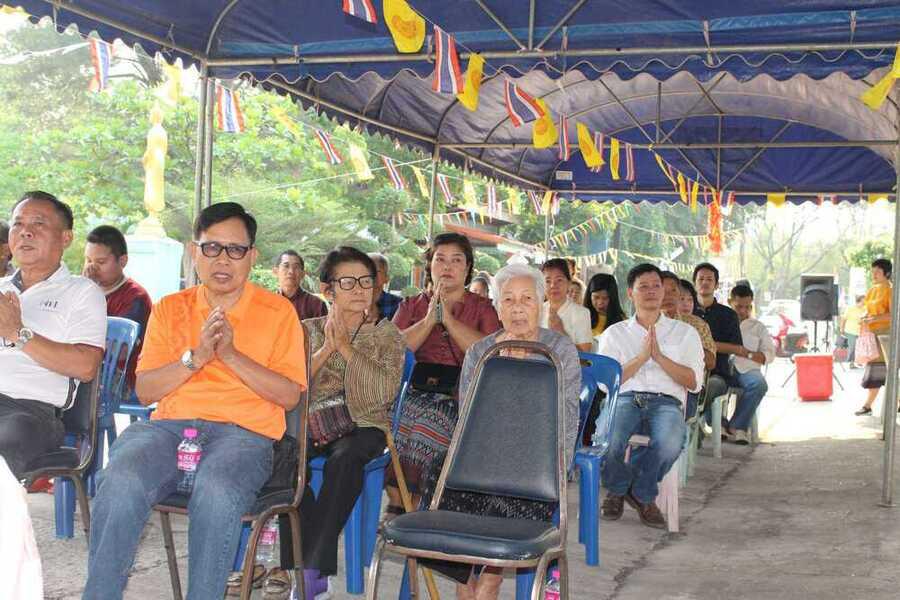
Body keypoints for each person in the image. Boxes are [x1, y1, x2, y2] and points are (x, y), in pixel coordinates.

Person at [83, 202, 308, 600]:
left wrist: (231, 355)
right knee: (119, 479)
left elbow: (290, 395)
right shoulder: (171, 308)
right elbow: (147, 390)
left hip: (245, 435)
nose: (223, 259)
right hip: (170, 429)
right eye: (212, 247)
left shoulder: (278, 312)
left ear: (252, 256)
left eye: (235, 249)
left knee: (217, 490)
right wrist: (197, 357)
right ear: (194, 251)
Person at [424, 264, 581, 600]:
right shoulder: (482, 351)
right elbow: (468, 419)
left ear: (541, 304)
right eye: (508, 299)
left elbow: (566, 418)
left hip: (537, 455)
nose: (517, 307)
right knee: (441, 466)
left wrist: (560, 467)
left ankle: (492, 574)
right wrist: (498, 371)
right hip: (485, 449)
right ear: (497, 308)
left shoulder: (560, 351)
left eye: (527, 299)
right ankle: (463, 577)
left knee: (519, 478)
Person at [268, 247, 404, 599]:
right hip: (313, 420)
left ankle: (310, 571)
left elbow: (382, 392)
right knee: (284, 456)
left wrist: (346, 348)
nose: (359, 289)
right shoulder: (306, 330)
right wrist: (328, 348)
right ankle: (309, 565)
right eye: (348, 282)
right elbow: (292, 387)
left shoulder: (387, 335)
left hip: (364, 423)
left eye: (366, 281)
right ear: (327, 290)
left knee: (345, 459)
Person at [386, 232, 500, 519]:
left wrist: (448, 320)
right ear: (430, 265)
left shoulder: (482, 308)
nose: (447, 267)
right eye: (440, 259)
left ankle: (413, 509)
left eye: (456, 260)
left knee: (428, 425)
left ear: (467, 267)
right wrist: (429, 320)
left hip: (461, 397)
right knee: (395, 424)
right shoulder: (411, 305)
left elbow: (490, 352)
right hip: (412, 392)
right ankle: (399, 503)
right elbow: (392, 352)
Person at [0, 191, 106, 479]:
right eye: (18, 224)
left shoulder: (82, 292)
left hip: (29, 412)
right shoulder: (1, 288)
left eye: (38, 223)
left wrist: (17, 333)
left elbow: (86, 367)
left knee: (9, 436)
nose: (25, 232)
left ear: (66, 238)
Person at [598, 264, 703, 529]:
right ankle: (623, 488)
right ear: (630, 293)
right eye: (643, 286)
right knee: (606, 440)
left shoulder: (685, 333)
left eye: (657, 286)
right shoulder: (614, 333)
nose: (651, 291)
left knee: (670, 443)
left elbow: (694, 383)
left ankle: (637, 491)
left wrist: (659, 357)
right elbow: (605, 384)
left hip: (666, 402)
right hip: (625, 398)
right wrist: (642, 358)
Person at [83, 225, 153, 391]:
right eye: (88, 261)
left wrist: (89, 293)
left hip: (120, 379)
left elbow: (119, 351)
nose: (92, 268)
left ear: (122, 261)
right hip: (87, 368)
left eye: (101, 262)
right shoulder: (82, 291)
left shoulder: (135, 297)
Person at [693, 263, 746, 422]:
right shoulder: (686, 312)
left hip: (716, 373)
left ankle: (696, 422)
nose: (705, 282)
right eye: (701, 279)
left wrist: (707, 345)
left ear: (716, 285)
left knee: (713, 385)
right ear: (694, 283)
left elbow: (737, 348)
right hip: (688, 372)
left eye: (709, 279)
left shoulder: (728, 315)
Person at [728, 285, 774, 444]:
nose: (743, 311)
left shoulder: (758, 327)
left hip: (748, 368)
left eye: (747, 307)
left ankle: (738, 426)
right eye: (739, 306)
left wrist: (747, 353)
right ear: (730, 302)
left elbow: (769, 354)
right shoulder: (722, 321)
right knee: (709, 383)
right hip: (723, 368)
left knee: (759, 384)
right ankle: (719, 424)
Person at [855, 258, 893, 416]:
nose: (874, 274)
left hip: (886, 335)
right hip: (872, 335)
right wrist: (865, 317)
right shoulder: (872, 290)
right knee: (876, 370)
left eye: (878, 271)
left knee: (884, 370)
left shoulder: (891, 290)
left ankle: (868, 405)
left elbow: (893, 314)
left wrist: (874, 319)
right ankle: (870, 405)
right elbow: (867, 309)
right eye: (873, 271)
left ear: (887, 273)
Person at [661, 272, 715, 372]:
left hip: (690, 378)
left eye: (673, 290)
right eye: (664, 291)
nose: (669, 296)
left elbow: (710, 362)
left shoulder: (697, 324)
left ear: (678, 293)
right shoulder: (647, 323)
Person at [541, 258, 593, 352]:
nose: (553, 285)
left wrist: (561, 332)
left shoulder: (581, 313)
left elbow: (585, 357)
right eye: (548, 281)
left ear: (569, 283)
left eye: (559, 280)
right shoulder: (537, 310)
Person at [273, 249, 328, 320]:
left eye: (296, 267)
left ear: (303, 274)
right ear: (275, 271)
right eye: (286, 266)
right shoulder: (268, 304)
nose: (291, 271)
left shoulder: (317, 304)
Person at [584, 273, 626, 340]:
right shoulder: (582, 316)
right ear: (589, 296)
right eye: (596, 297)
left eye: (605, 298)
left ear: (613, 298)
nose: (600, 302)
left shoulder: (622, 322)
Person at [368, 252, 403, 320]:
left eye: (375, 271)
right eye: (366, 270)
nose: (370, 274)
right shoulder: (352, 302)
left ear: (387, 278)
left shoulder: (399, 305)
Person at [840, 295, 865, 366]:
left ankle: (857, 362)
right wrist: (841, 329)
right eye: (863, 301)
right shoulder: (850, 308)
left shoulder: (864, 309)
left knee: (859, 348)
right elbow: (843, 319)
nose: (864, 302)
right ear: (859, 301)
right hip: (851, 331)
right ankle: (850, 362)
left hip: (860, 332)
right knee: (852, 347)